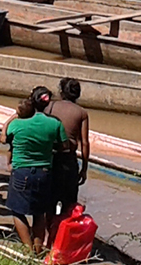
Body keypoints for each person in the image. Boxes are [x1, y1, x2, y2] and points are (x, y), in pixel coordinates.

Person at [4, 97, 68, 254]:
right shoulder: (55, 123)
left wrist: (11, 118)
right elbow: (64, 146)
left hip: (21, 172)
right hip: (44, 173)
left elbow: (2, 137)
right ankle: (38, 251)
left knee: (17, 211)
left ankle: (28, 249)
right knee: (39, 213)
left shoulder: (17, 124)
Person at [44, 78, 91, 214]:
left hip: (50, 157)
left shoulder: (50, 107)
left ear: (61, 92)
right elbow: (85, 143)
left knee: (49, 201)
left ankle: (48, 232)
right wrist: (84, 168)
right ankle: (65, 232)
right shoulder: (81, 113)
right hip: (69, 161)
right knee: (69, 203)